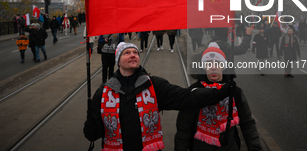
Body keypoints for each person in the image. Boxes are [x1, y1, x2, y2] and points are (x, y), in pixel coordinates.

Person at [83, 42, 235, 151]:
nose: (133, 55)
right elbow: (93, 135)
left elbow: (187, 97)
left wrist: (220, 93)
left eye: (135, 52)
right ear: (118, 61)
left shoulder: (154, 85)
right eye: (127, 53)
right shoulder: (103, 93)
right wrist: (91, 123)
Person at [174, 42, 262, 151]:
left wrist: (255, 147)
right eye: (209, 64)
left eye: (217, 63)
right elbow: (184, 130)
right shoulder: (194, 92)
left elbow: (247, 123)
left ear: (223, 66)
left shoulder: (234, 92)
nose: (213, 68)